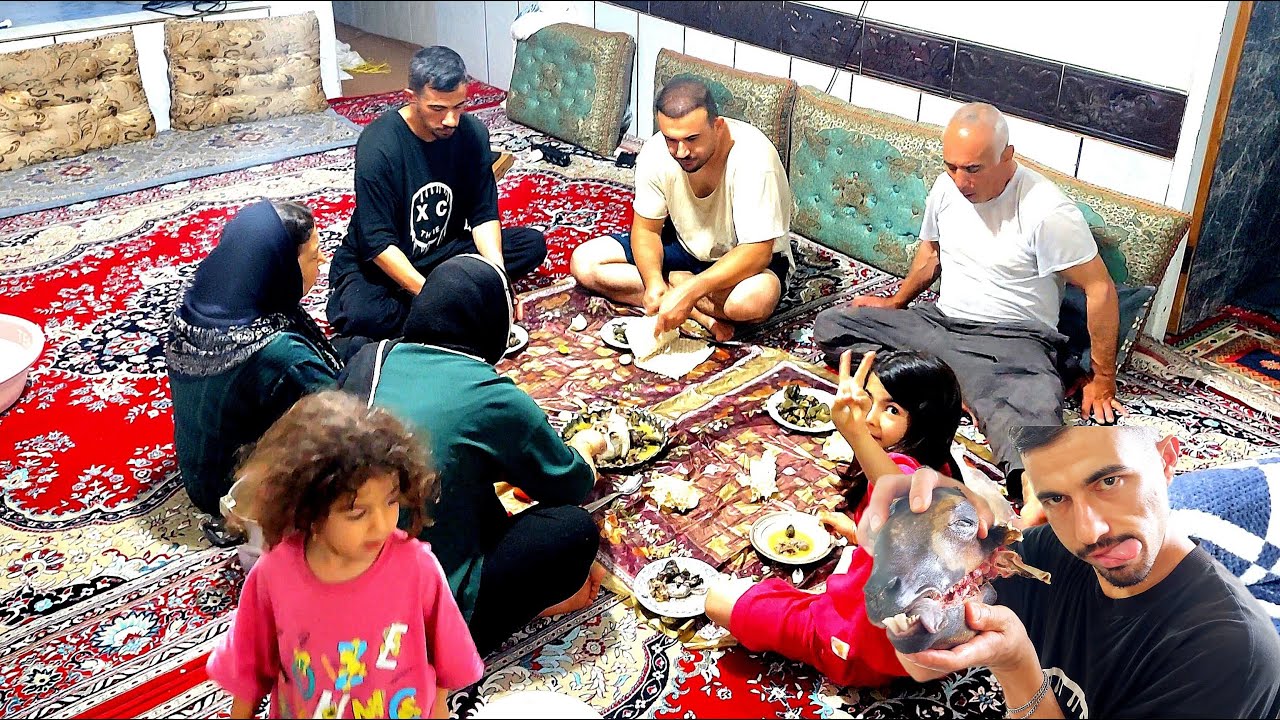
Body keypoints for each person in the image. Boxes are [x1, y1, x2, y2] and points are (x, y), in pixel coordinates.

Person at [812, 102, 1124, 501]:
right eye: (952, 167)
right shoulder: (947, 188)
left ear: (1007, 156)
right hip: (939, 326)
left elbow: (1100, 289)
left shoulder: (1047, 211)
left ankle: (947, 391)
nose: (960, 181)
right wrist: (896, 301)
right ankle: (949, 386)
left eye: (973, 169)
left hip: (1011, 345)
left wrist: (1103, 380)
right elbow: (931, 254)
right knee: (833, 326)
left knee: (1037, 443)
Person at [859, 426, 1280, 719]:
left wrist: (1016, 667)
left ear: (1167, 459)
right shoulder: (1052, 555)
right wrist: (923, 531)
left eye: (1110, 481)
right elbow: (921, 665)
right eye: (1057, 498)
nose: (1089, 532)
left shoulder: (1226, 654)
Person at [337, 254, 611, 655]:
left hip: (330, 585)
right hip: (408, 627)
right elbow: (568, 482)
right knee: (573, 529)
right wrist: (587, 446)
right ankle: (499, 618)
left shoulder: (370, 358)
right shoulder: (490, 395)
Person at [207, 391, 484, 719]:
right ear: (308, 510)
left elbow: (446, 662)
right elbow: (248, 669)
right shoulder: (274, 574)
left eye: (391, 501)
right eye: (357, 513)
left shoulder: (418, 568)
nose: (381, 524)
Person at [704, 349, 964, 687]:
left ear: (926, 421)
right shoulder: (943, 470)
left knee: (718, 600)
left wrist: (854, 434)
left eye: (892, 409)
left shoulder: (906, 475)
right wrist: (857, 533)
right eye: (870, 401)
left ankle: (822, 642)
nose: (870, 418)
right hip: (906, 642)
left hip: (856, 646)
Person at [326, 45, 546, 361]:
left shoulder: (472, 134)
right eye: (438, 108)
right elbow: (376, 243)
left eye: (459, 107)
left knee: (530, 245)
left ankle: (434, 310)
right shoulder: (379, 145)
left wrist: (497, 279)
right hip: (380, 264)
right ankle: (440, 307)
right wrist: (437, 297)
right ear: (411, 97)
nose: (451, 120)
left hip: (443, 252)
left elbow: (483, 215)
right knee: (365, 315)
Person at [569, 77, 794, 342]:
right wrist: (653, 282)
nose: (681, 151)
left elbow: (757, 252)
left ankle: (679, 289)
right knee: (584, 262)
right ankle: (698, 310)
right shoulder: (655, 152)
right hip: (686, 249)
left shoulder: (754, 158)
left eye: (692, 139)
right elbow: (646, 230)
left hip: (742, 264)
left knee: (750, 302)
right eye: (671, 140)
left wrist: (690, 291)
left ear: (717, 126)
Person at [166, 198, 341, 537]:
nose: (323, 260)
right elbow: (346, 417)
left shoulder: (200, 295)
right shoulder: (282, 355)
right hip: (234, 486)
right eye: (312, 255)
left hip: (198, 464)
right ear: (280, 268)